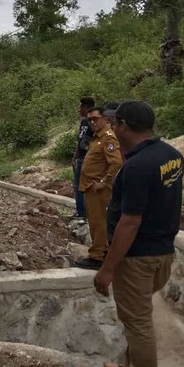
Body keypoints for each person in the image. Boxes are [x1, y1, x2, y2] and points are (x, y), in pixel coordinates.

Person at [95, 100, 183, 367]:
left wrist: (107, 268)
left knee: (138, 324)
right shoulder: (171, 156)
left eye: (114, 122)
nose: (111, 127)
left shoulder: (137, 167)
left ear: (123, 125)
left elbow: (130, 221)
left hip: (136, 259)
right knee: (138, 319)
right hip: (163, 253)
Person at [76, 106, 123, 270]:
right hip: (91, 187)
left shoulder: (108, 138)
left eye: (95, 118)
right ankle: (100, 252)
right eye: (89, 120)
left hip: (99, 189)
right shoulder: (97, 137)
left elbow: (116, 162)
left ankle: (98, 256)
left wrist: (104, 181)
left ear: (105, 119)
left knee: (99, 222)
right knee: (96, 222)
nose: (92, 122)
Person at [72, 96, 95, 219]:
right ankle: (80, 210)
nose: (79, 109)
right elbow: (80, 140)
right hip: (80, 157)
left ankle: (82, 213)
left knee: (81, 186)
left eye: (80, 106)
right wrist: (75, 156)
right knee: (77, 186)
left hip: (87, 158)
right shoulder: (83, 122)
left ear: (86, 107)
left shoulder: (93, 123)